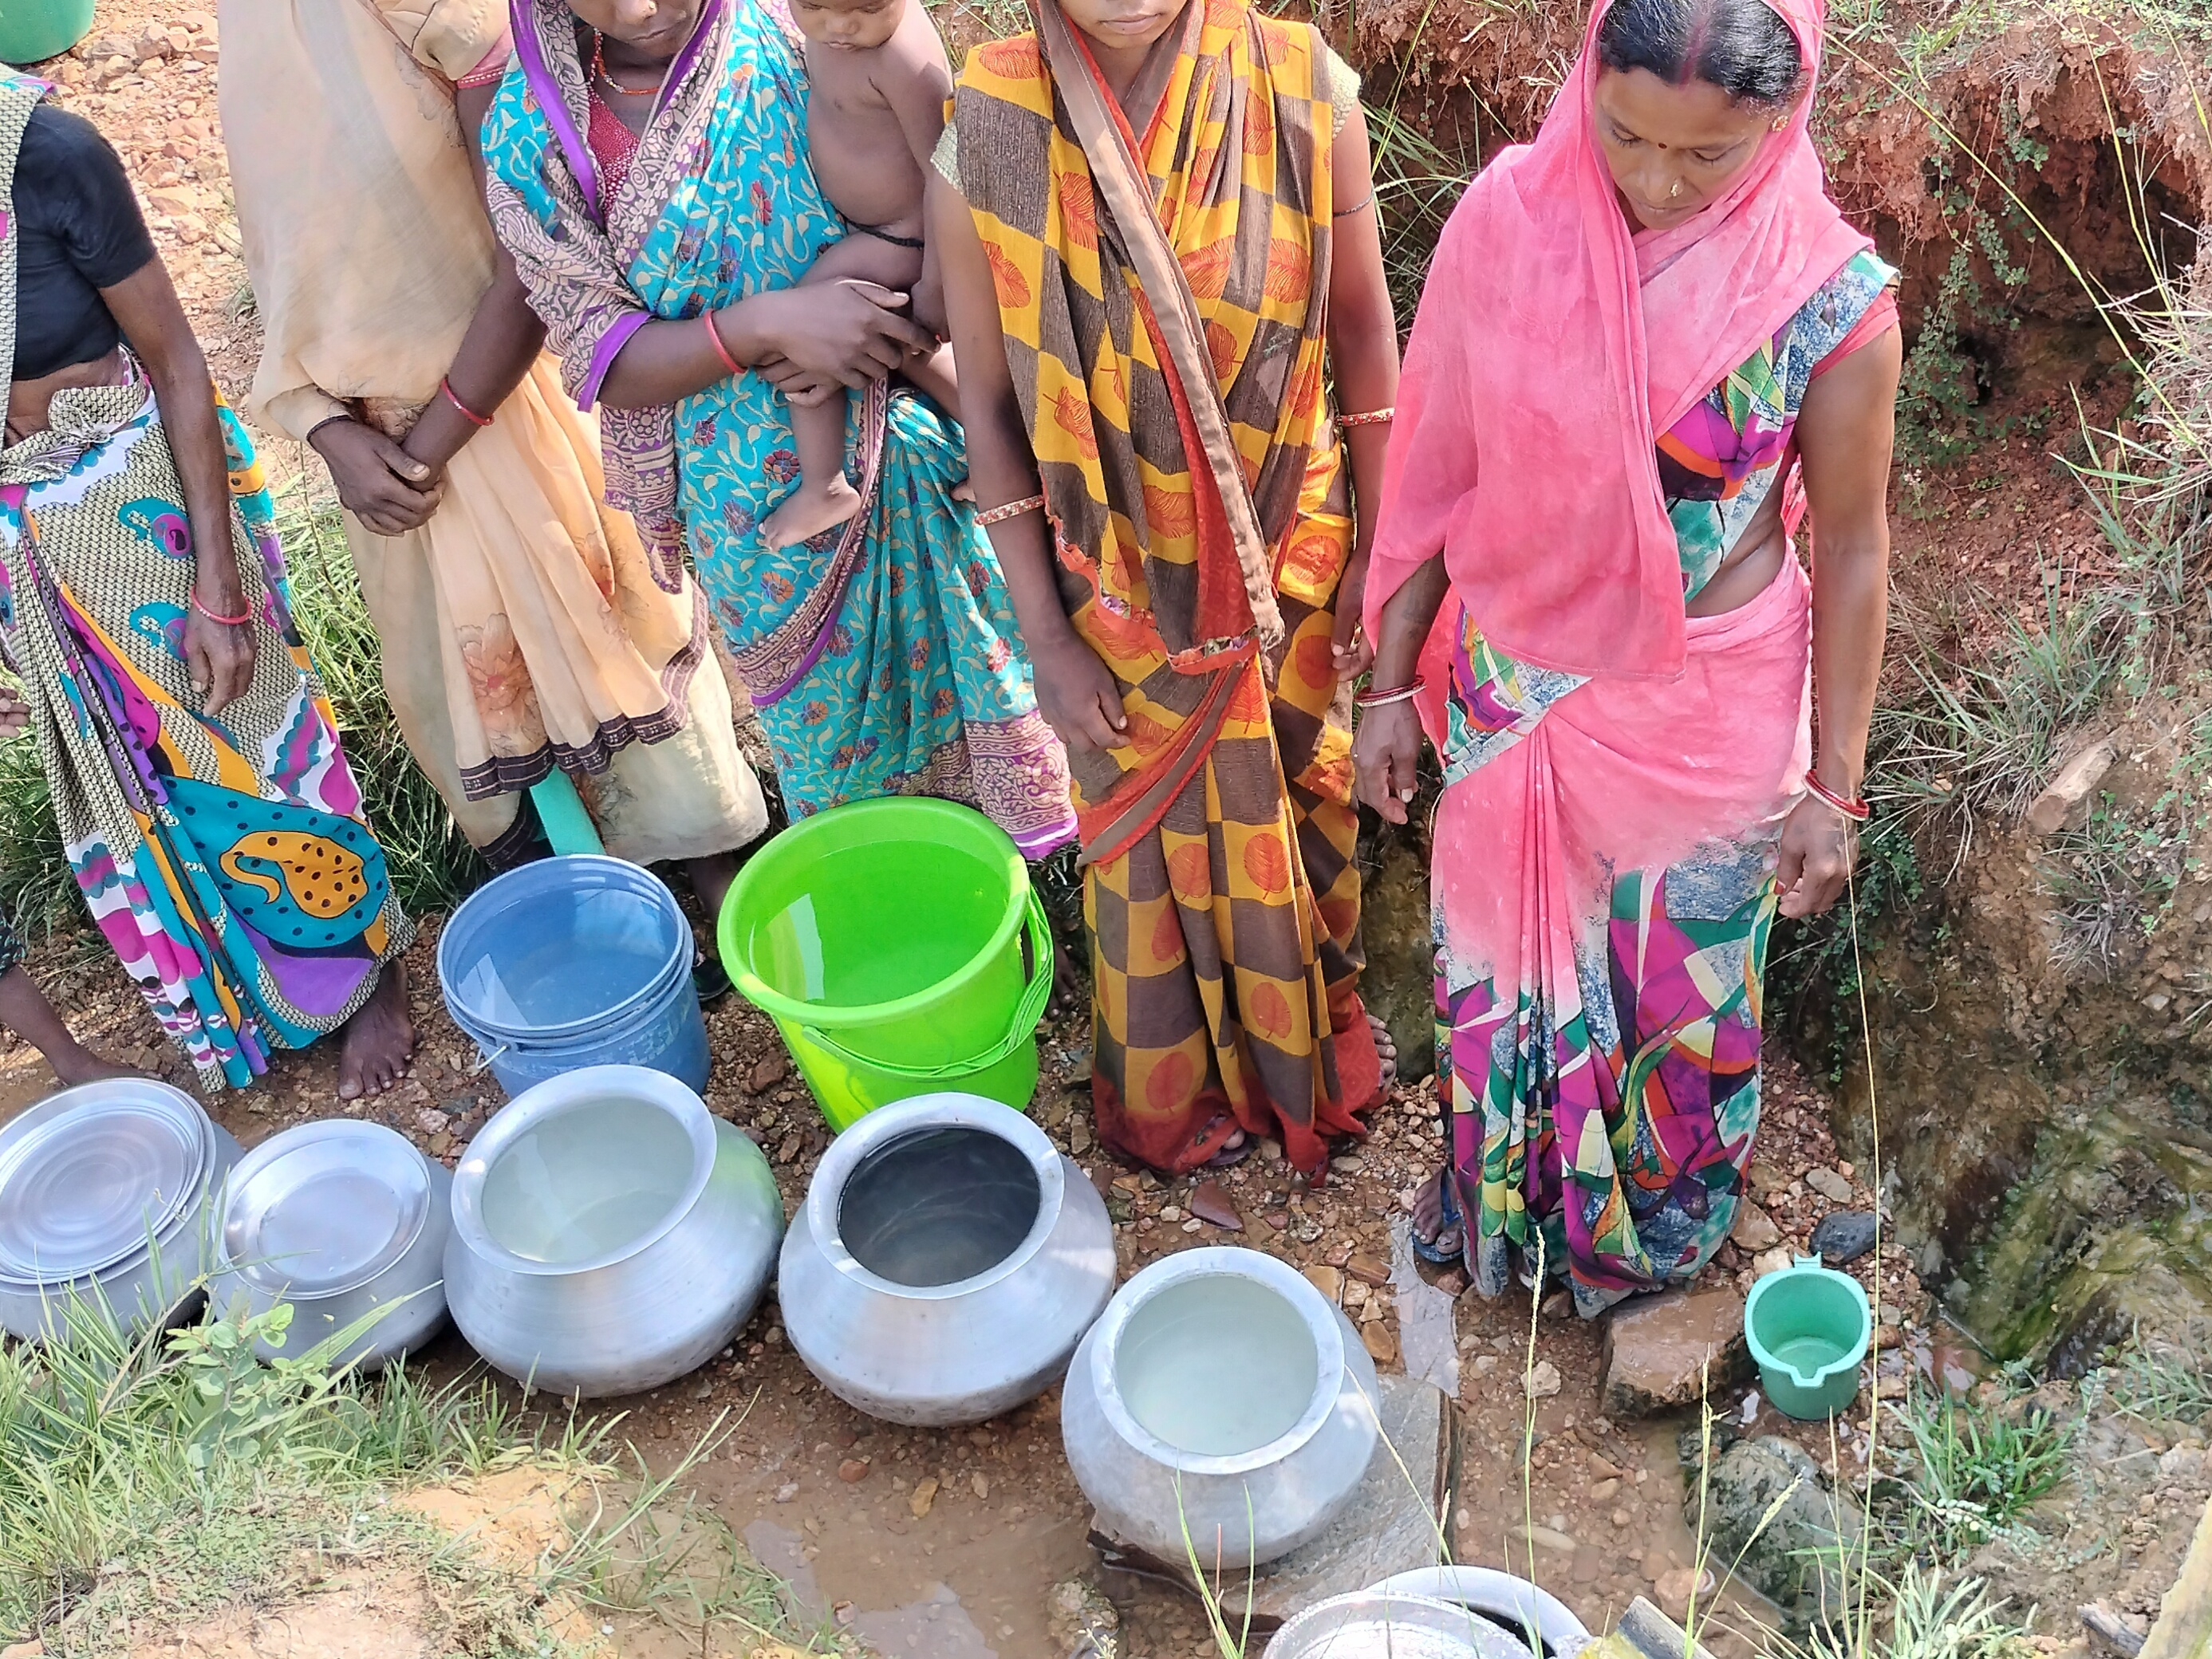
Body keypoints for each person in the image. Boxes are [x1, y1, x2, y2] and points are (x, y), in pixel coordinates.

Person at [1354, 0, 1902, 1314]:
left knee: (1679, 993)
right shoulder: (1507, 221)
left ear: (1783, 118)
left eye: (1705, 154)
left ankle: (1649, 1233)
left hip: (1705, 709)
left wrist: (1833, 784)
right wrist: (1387, 684)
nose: (1656, 183)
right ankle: (1503, 1191)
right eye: (1626, 137)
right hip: (1515, 687)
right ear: (1584, 84)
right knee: (1498, 954)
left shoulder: (1826, 301)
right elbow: (1437, 469)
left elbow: (1852, 548)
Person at [930, 0, 1402, 1177]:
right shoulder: (990, 120)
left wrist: (1381, 552)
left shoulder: (1302, 87)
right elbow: (989, 404)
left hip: (1290, 559)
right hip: (1113, 599)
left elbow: (1360, 333)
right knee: (1142, 855)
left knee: (1303, 801)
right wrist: (1045, 636)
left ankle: (1308, 1040)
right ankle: (1178, 1095)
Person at [481, 0, 1077, 861]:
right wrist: (768, 325)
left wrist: (894, 315)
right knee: (845, 779)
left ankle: (1021, 887)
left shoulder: (809, 19)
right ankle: (896, 897)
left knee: (998, 671)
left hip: (919, 423)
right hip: (749, 503)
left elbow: (950, 185)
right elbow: (601, 352)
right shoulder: (531, 134)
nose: (641, 8)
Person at [219, 0, 769, 912]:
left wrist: (424, 447)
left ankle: (726, 895)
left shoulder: (447, 13)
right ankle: (608, 919)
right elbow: (287, 267)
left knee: (623, 669)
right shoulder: (250, 23)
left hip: (504, 412)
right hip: (384, 463)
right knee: (484, 714)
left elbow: (533, 254)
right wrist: (325, 427)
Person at [0, 73, 417, 1097]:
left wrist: (219, 588)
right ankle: (254, 1000)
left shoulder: (48, 155)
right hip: (29, 553)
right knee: (140, 784)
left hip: (138, 509)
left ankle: (374, 975)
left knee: (255, 742)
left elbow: (180, 363)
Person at [760, 0, 958, 553]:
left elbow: (947, 173)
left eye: (867, 8)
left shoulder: (904, 60)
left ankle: (825, 486)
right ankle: (1017, 461)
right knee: (917, 354)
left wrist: (937, 283)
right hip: (870, 230)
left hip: (903, 238)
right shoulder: (833, 33)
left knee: (803, 328)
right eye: (813, 6)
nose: (840, 26)